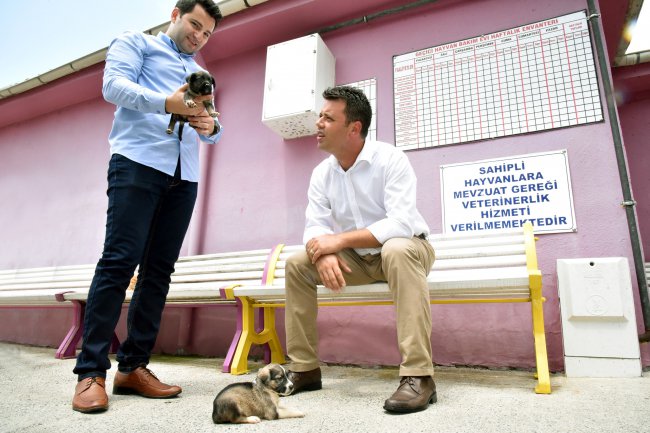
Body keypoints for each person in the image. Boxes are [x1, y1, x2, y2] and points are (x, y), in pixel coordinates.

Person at [72, 0, 223, 414]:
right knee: (119, 262)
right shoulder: (134, 43)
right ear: (175, 15)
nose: (199, 36)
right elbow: (114, 88)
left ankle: (134, 367)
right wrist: (167, 103)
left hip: (184, 176)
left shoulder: (202, 73)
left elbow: (212, 123)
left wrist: (211, 125)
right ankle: (90, 372)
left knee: (158, 273)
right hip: (138, 163)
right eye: (195, 24)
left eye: (207, 33)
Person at [284, 86, 437, 413]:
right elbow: (315, 226)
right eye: (319, 116)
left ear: (354, 128)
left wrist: (337, 242)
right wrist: (323, 252)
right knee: (298, 263)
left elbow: (400, 224)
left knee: (395, 248)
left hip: (409, 251)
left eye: (328, 117)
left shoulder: (390, 158)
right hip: (360, 260)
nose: (319, 124)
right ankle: (304, 369)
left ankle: (419, 376)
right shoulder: (321, 173)